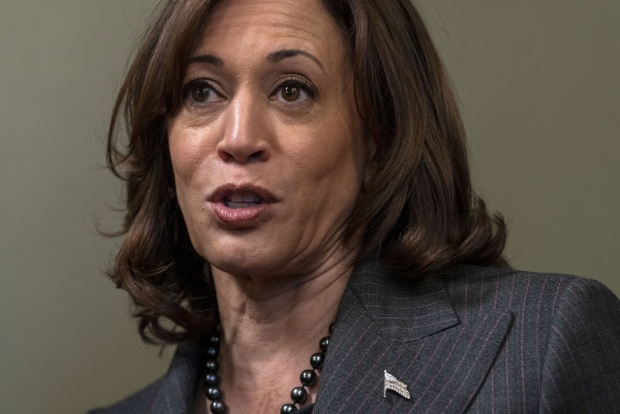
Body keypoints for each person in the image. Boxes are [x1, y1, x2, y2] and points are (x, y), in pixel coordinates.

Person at [91, 0, 620, 413]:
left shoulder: (544, 342)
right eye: (202, 91)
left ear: (380, 140)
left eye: (292, 91)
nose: (238, 136)